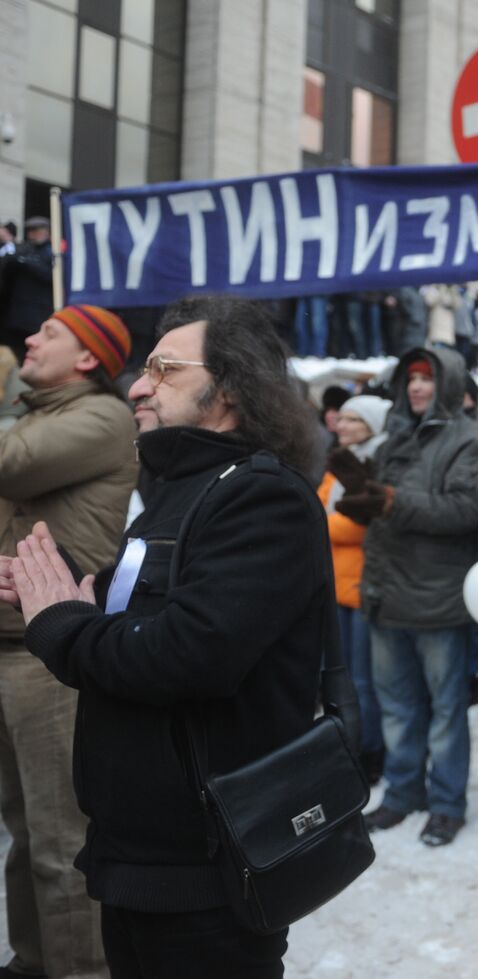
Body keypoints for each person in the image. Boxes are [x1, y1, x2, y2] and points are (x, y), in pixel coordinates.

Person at [0, 295, 326, 975]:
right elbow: (145, 615)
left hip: (203, 874)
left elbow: (188, 655)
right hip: (141, 859)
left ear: (230, 387)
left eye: (164, 370)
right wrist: (64, 590)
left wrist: (61, 625)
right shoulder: (183, 487)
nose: (139, 385)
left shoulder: (260, 495)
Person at [0, 305, 138, 978]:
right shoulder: (36, 413)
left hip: (47, 654)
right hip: (9, 646)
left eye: (49, 332)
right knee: (25, 839)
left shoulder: (103, 416)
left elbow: (8, 465)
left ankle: (81, 971)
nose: (29, 337)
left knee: (61, 841)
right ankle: (31, 962)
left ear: (89, 357)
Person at [342, 348, 478, 848]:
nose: (415, 387)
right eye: (410, 378)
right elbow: (388, 510)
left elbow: (462, 510)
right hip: (386, 590)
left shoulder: (475, 438)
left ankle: (447, 804)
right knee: (396, 706)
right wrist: (361, 495)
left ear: (448, 384)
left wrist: (390, 500)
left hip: (437, 596)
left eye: (426, 378)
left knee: (446, 710)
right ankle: (403, 792)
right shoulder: (395, 435)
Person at [317, 394, 392, 784]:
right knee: (343, 677)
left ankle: (371, 752)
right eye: (341, 419)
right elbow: (319, 507)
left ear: (372, 426)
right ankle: (351, 747)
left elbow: (359, 525)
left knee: (365, 680)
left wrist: (317, 527)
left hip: (362, 585)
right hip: (337, 584)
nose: (341, 426)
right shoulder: (339, 461)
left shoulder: (376, 461)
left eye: (352, 420)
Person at [0, 218, 57, 358]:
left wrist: (26, 263)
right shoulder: (22, 250)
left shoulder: (51, 252)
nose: (33, 235)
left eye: (37, 231)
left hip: (38, 314)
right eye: (31, 231)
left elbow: (51, 276)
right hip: (17, 314)